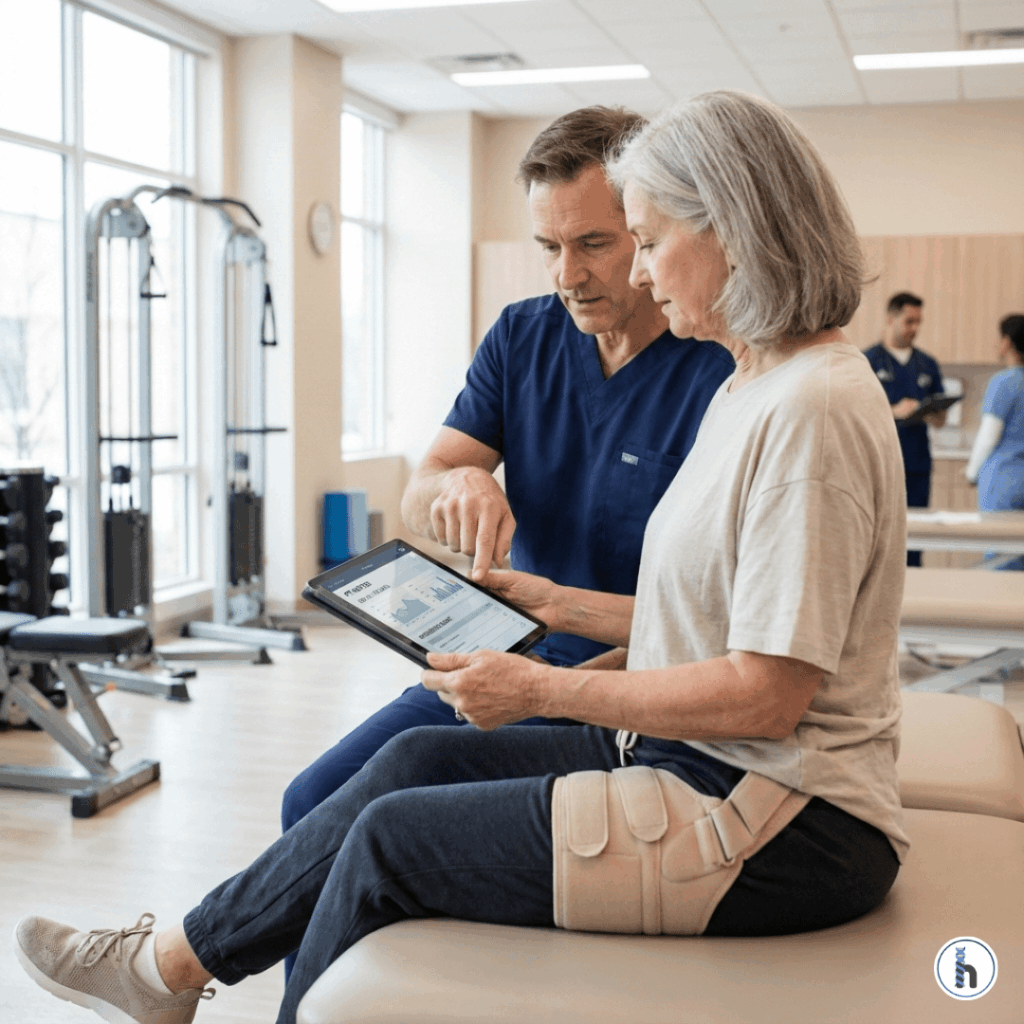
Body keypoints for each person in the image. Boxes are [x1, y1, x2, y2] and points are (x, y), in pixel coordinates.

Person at [15, 90, 908, 1024]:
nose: (636, 269)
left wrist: (547, 690)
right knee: (403, 766)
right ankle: (164, 973)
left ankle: (176, 979)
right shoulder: (754, 384)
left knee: (391, 837)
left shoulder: (807, 410)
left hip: (775, 809)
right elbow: (718, 622)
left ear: (732, 228)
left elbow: (767, 692)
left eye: (640, 239)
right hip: (699, 752)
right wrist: (560, 606)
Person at [279, 108, 734, 834]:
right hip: (511, 651)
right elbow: (419, 494)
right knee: (312, 803)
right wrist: (456, 486)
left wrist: (565, 687)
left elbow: (728, 618)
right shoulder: (523, 336)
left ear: (651, 233)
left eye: (593, 244)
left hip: (640, 679)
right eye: (548, 246)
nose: (567, 275)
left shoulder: (720, 367)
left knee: (398, 819)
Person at [863, 292, 946, 565]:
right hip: (879, 464)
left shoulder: (927, 364)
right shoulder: (868, 361)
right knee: (876, 539)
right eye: (909, 321)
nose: (914, 329)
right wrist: (894, 410)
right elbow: (855, 414)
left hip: (917, 464)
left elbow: (941, 419)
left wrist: (931, 414)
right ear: (891, 319)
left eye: (918, 322)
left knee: (914, 538)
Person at [966, 314, 1024, 568]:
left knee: (1001, 558)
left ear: (1007, 342)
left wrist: (971, 472)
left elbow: (988, 437)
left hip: (1004, 483)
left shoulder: (1004, 383)